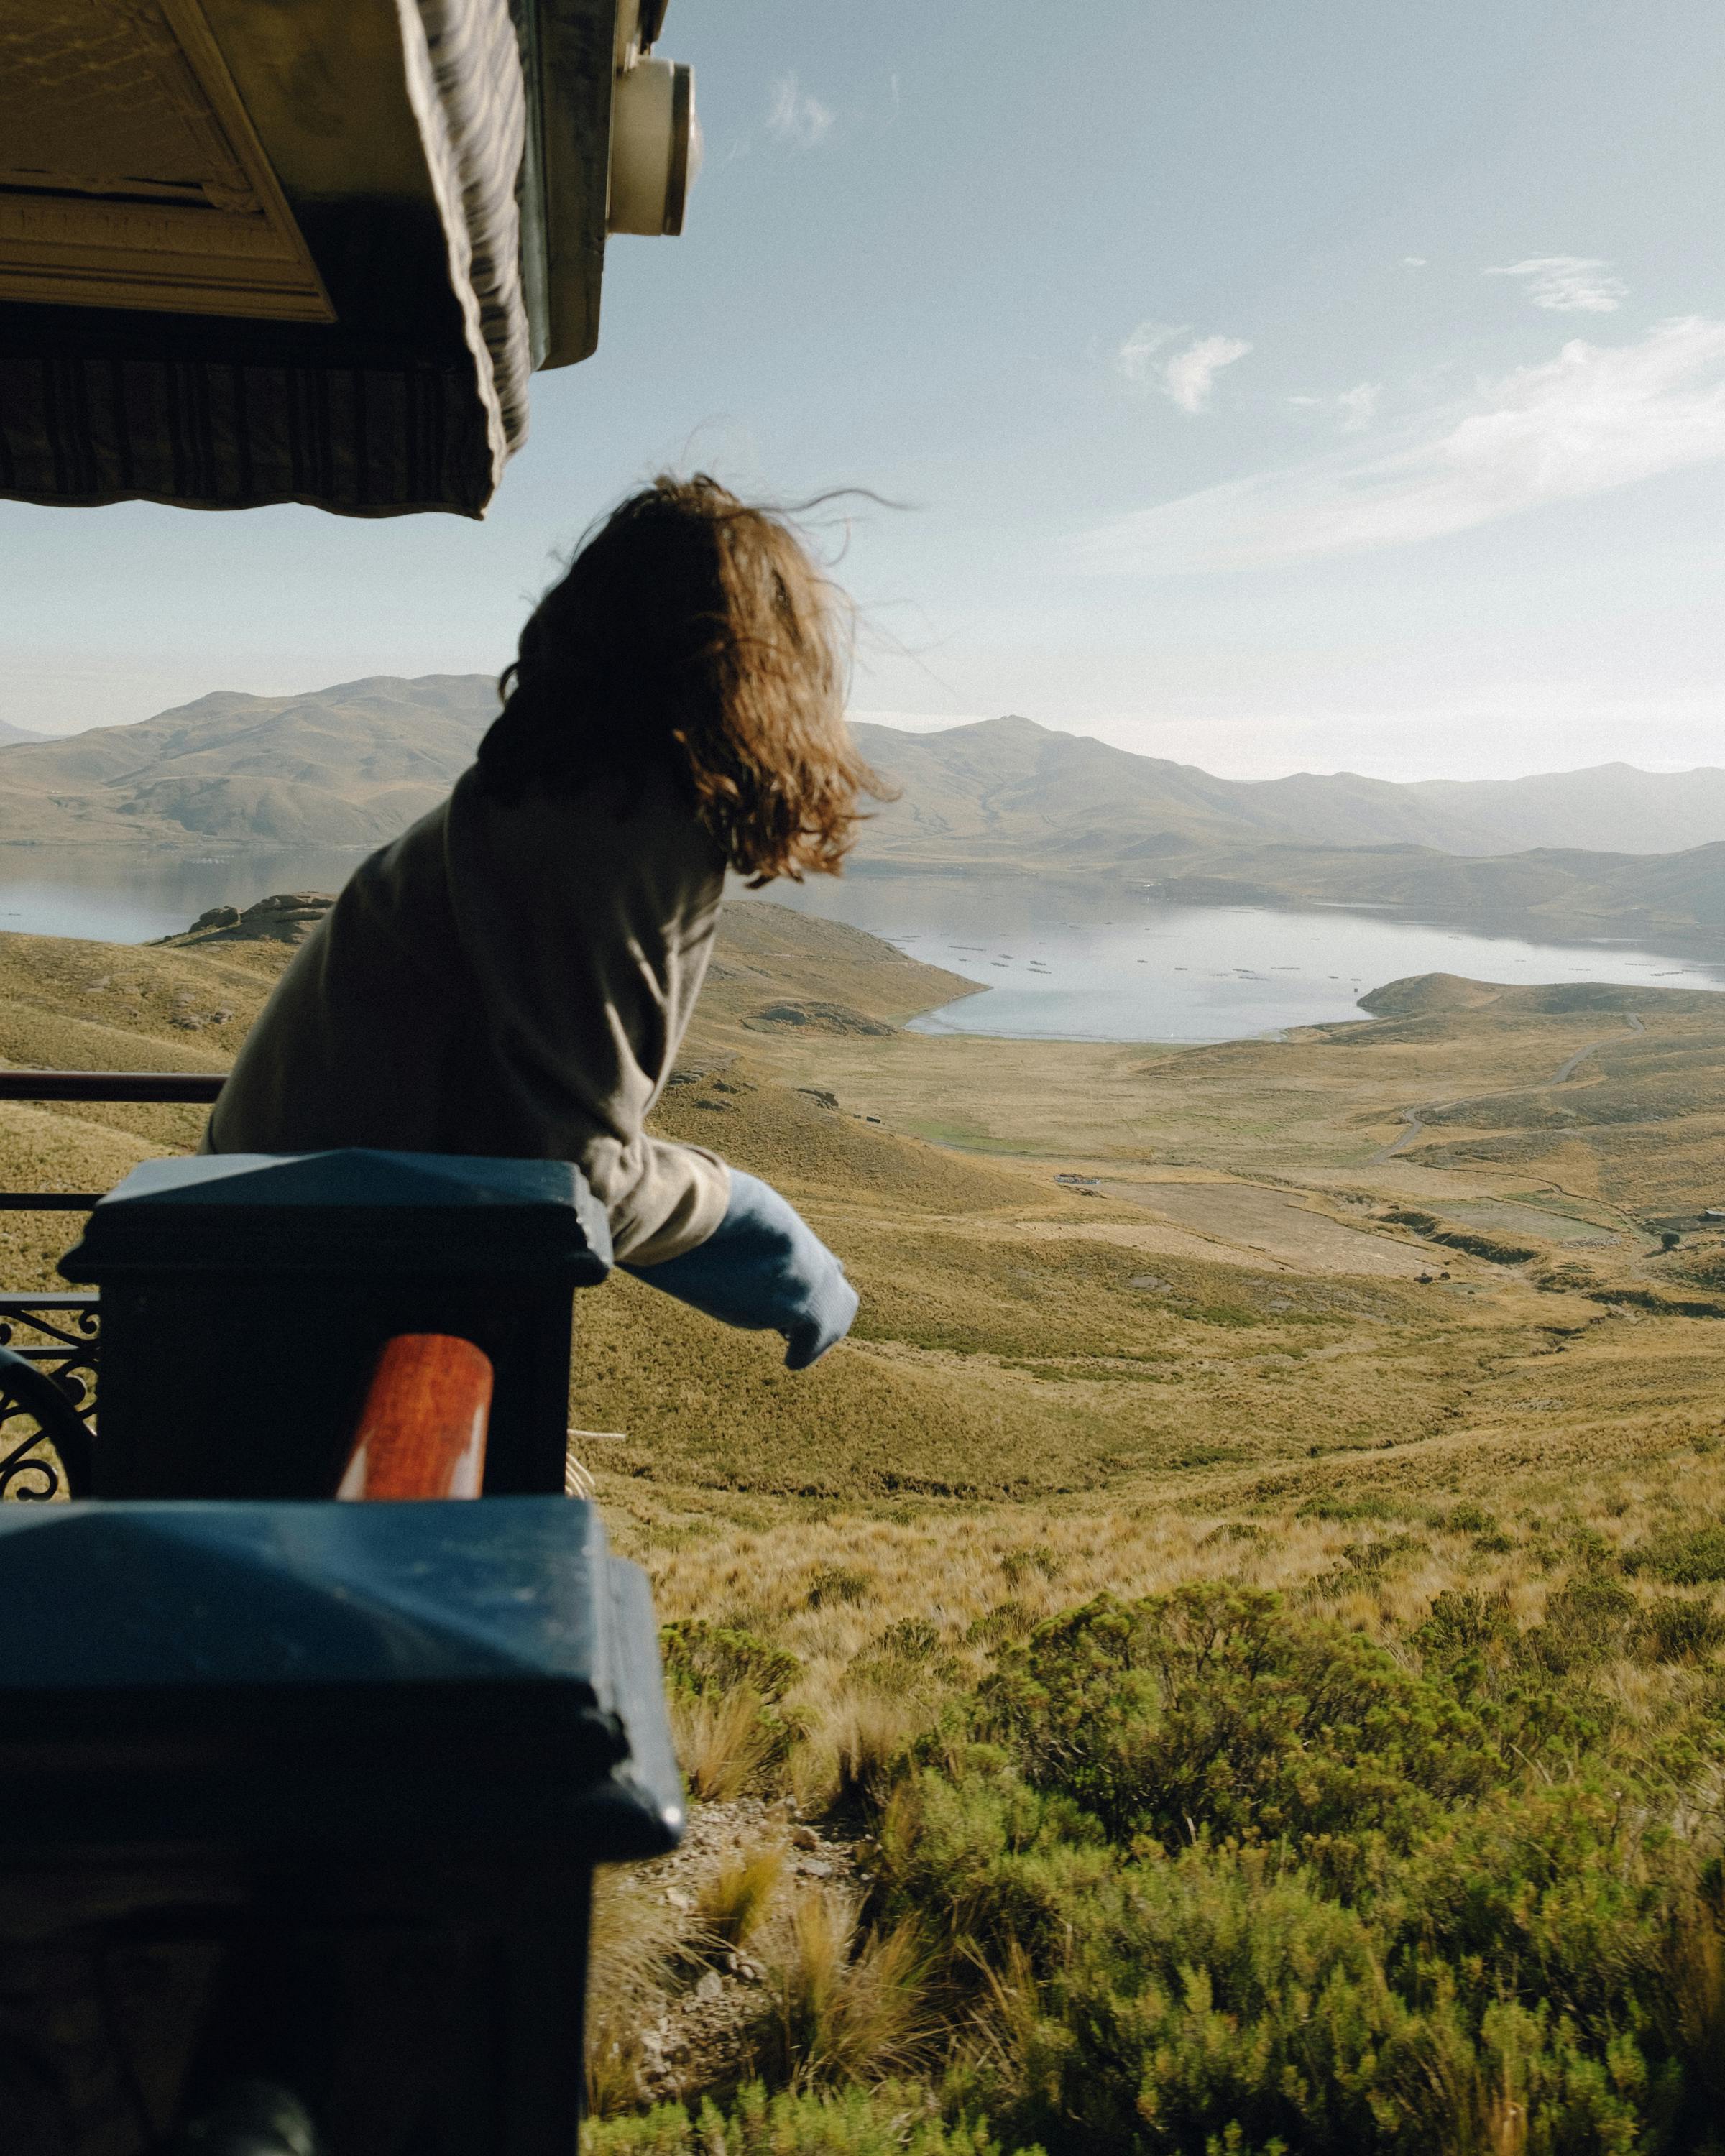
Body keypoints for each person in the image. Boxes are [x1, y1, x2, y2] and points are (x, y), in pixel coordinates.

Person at [204, 475, 878, 1369]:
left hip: (265, 1253)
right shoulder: (612, 826)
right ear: (762, 661)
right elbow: (567, 1178)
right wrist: (745, 1221)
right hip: (302, 1300)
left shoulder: (550, 795)